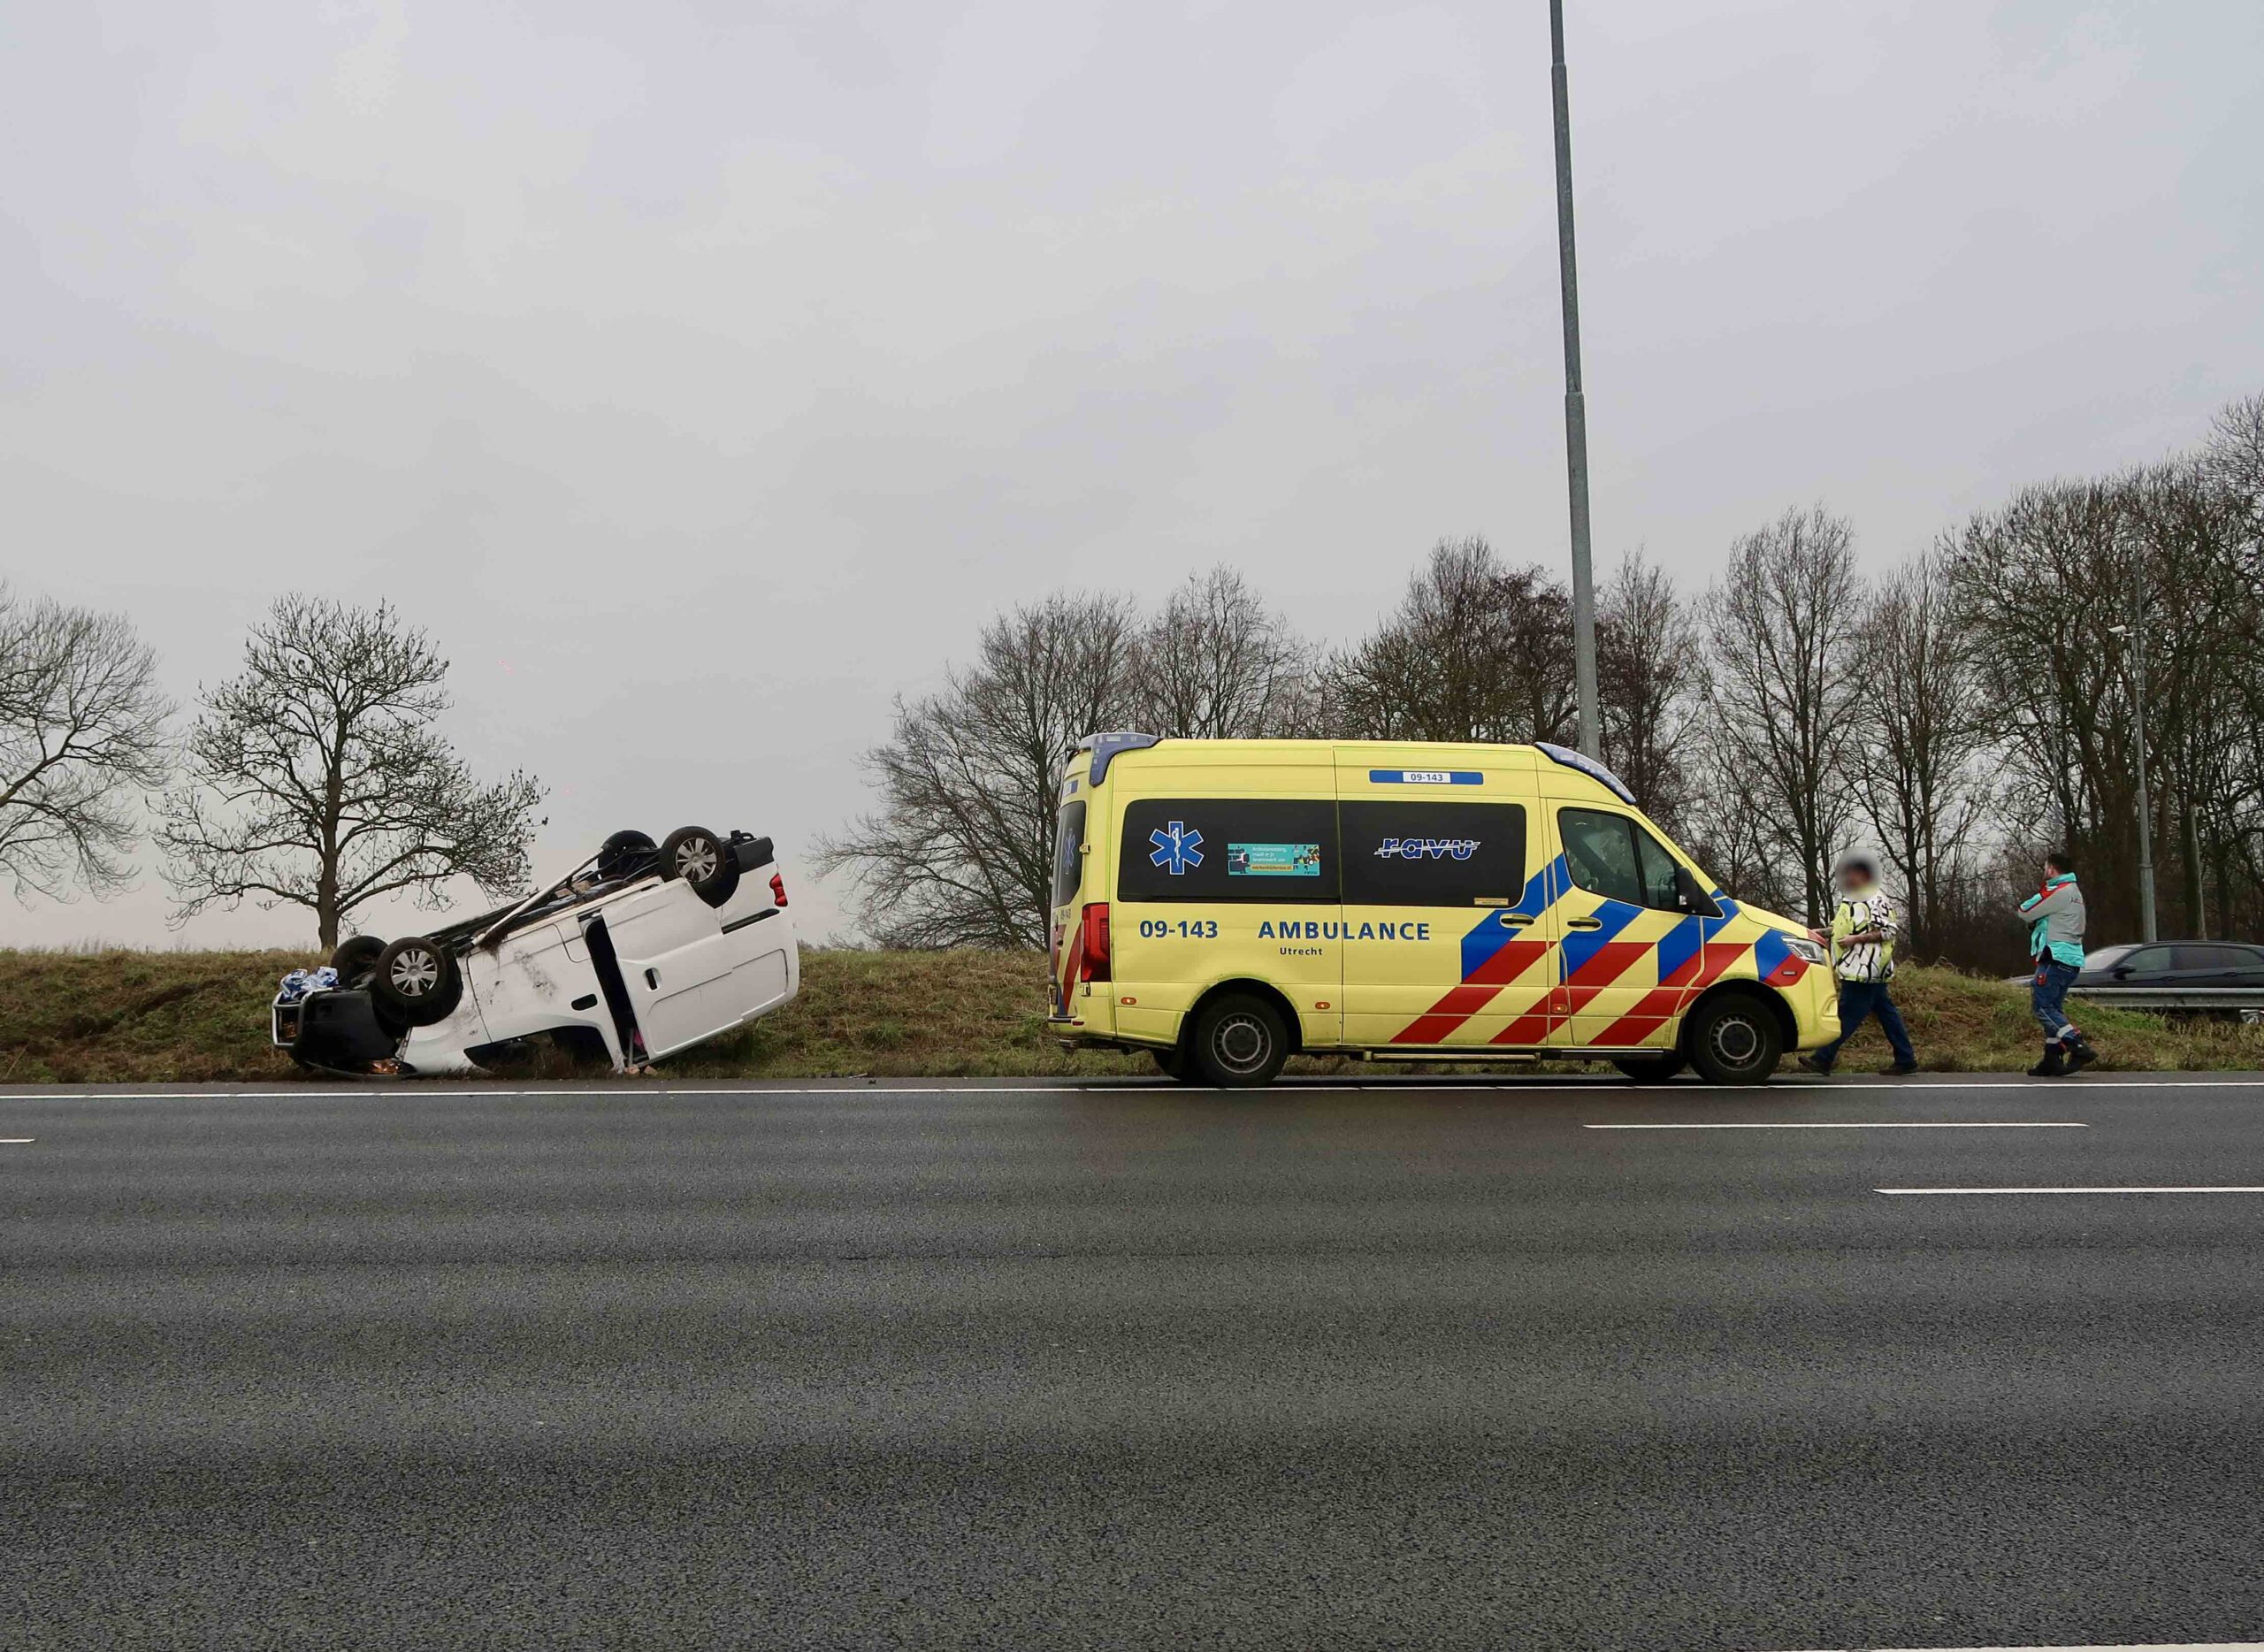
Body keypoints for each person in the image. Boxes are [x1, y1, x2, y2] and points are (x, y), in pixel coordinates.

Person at [1797, 850, 1918, 1077]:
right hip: (1857, 969)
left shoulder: (1875, 898)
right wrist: (1816, 933)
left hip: (1865, 970)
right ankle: (1906, 1058)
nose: (1847, 878)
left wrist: (1856, 940)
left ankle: (1823, 1058)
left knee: (1847, 1013)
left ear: (1863, 875)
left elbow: (1888, 931)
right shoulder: (1852, 900)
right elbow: (1840, 929)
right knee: (1886, 1013)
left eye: (1851, 873)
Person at [2020, 851, 2098, 1077]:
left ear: (2052, 869)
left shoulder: (2059, 891)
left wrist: (2034, 914)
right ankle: (2052, 1058)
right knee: (2053, 1009)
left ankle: (2077, 1044)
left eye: (2046, 867)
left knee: (2042, 1007)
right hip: (2069, 959)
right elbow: (2049, 920)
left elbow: (2024, 911)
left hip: (2055, 957)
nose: (2045, 871)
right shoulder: (2075, 893)